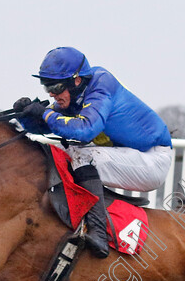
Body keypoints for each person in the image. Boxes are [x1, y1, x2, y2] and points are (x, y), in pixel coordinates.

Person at [13, 47, 173, 258]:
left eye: (57, 87)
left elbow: (83, 129)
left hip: (152, 160)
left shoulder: (101, 85)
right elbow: (50, 126)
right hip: (126, 156)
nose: (52, 93)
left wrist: (45, 113)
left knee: (81, 155)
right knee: (59, 151)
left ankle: (98, 231)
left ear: (77, 80)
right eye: (47, 87)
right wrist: (27, 116)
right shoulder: (75, 95)